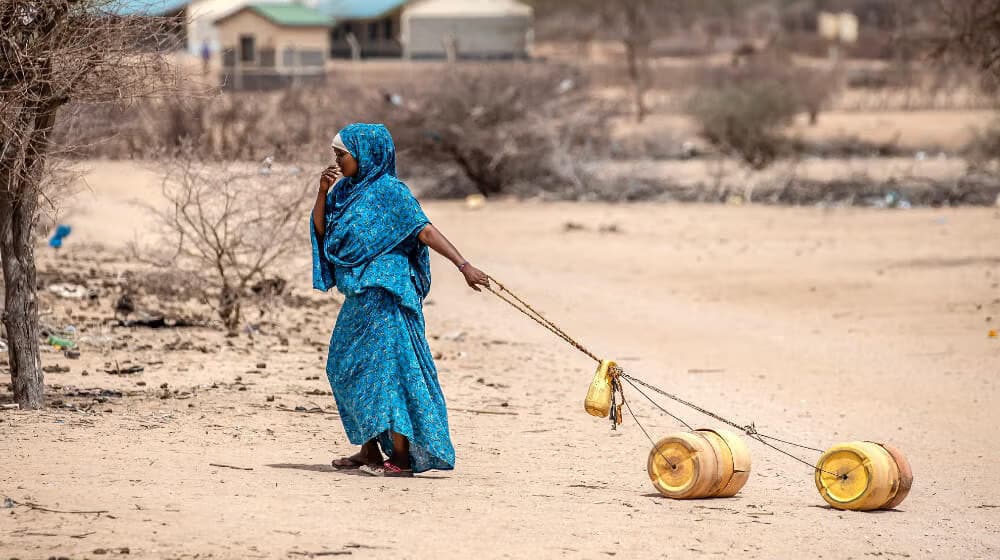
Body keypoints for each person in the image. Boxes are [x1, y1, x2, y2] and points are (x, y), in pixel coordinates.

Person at [311, 123, 489, 477]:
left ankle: (401, 458)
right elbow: (322, 231)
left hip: (387, 294)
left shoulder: (392, 192)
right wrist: (321, 193)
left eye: (342, 155)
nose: (337, 161)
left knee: (388, 371)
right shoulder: (345, 191)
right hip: (361, 294)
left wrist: (463, 265)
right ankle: (369, 450)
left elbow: (423, 229)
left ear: (365, 155)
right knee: (345, 367)